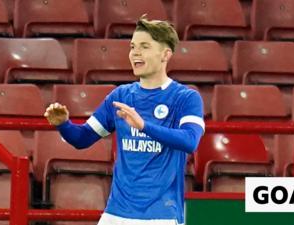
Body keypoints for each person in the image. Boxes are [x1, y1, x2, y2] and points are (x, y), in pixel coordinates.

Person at [44, 15, 204, 225]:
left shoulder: (186, 97)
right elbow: (82, 139)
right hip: (116, 214)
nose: (135, 52)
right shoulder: (120, 96)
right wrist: (63, 124)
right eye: (132, 46)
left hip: (161, 215)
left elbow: (190, 141)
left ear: (165, 54)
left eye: (145, 46)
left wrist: (144, 126)